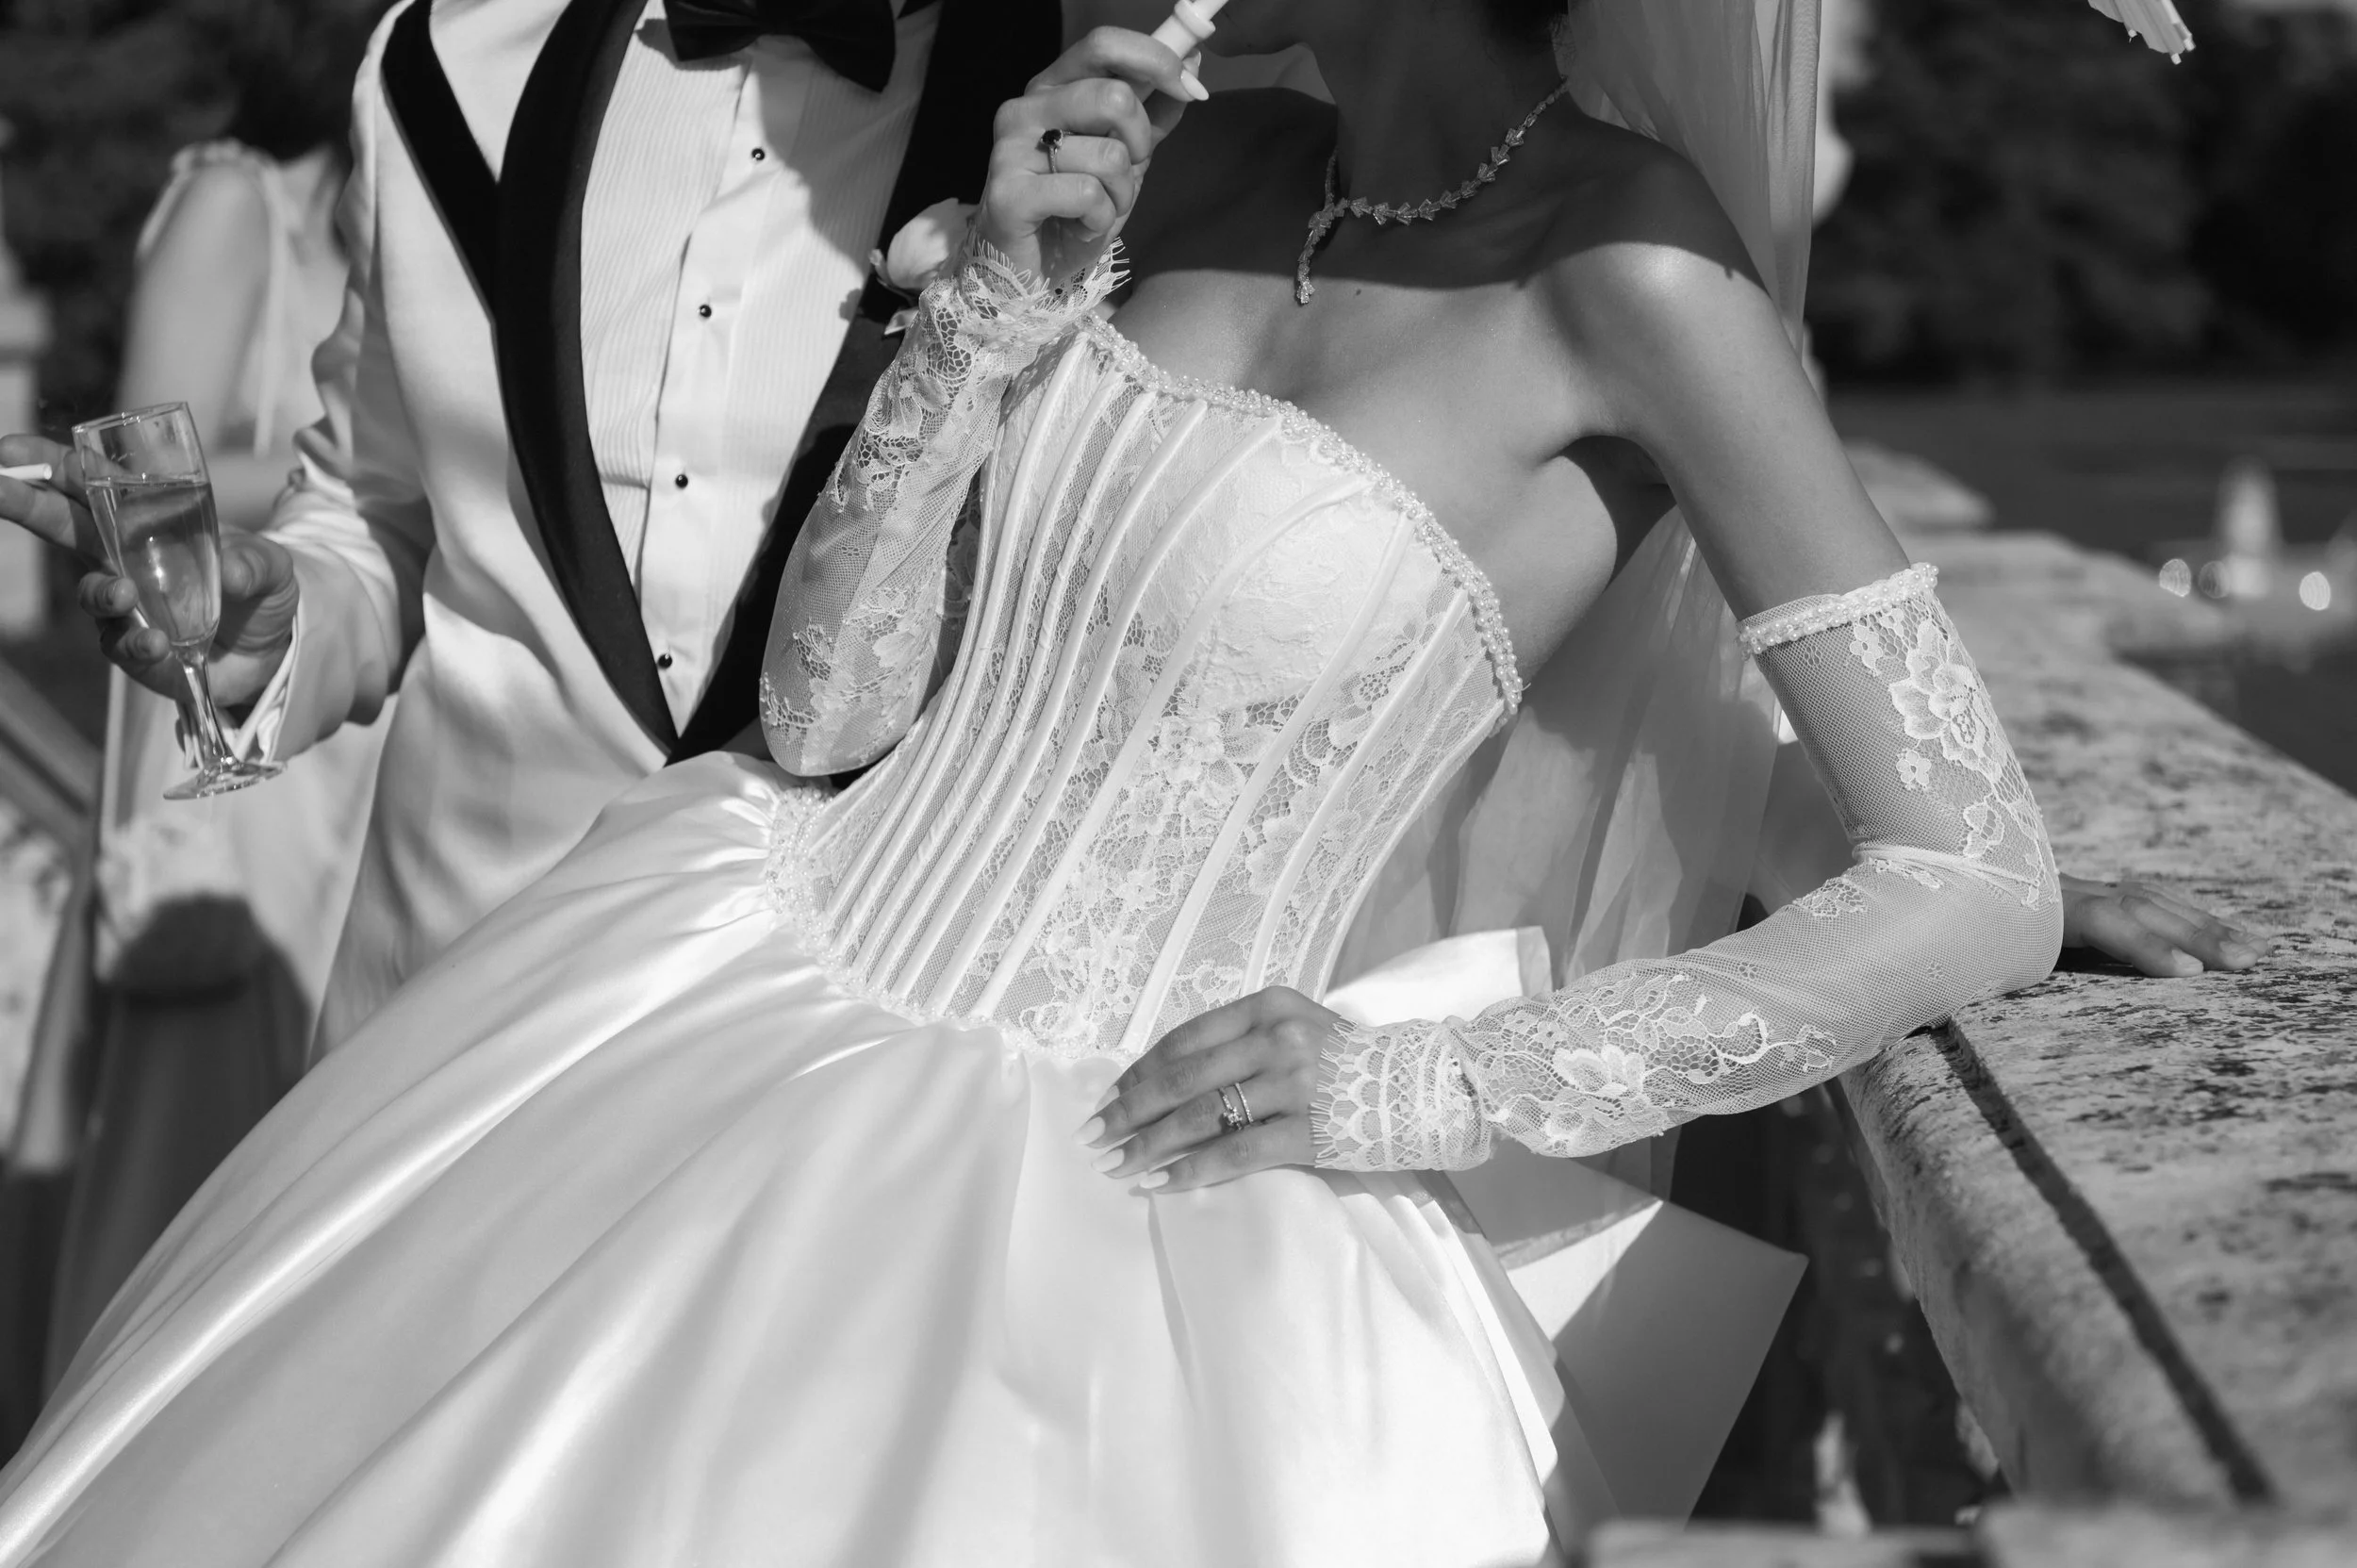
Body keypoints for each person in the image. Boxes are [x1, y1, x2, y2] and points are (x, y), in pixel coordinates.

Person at [0, 2, 2275, 1564]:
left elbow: (1971, 865)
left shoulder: (1642, 282)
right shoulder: (1184, 157)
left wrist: (1436, 1084)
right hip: (709, 993)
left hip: (1143, 1194)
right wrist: (991, 300)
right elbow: (822, 715)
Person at [0, 0, 1067, 1059]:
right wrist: (278, 635)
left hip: (850, 1051)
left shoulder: (1079, 97)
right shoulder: (445, 67)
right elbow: (375, 511)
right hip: (443, 1003)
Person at [38, 0, 391, 1388]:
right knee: (189, 1188)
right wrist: (362, 489)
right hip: (227, 744)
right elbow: (131, 463)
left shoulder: (378, 219)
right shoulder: (231, 200)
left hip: (332, 739)